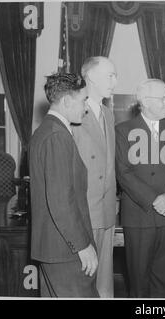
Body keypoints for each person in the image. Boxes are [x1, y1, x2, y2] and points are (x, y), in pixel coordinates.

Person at [115, 79, 165, 297]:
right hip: (141, 216)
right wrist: (155, 200)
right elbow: (124, 173)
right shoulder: (123, 130)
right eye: (164, 99)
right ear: (146, 102)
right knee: (139, 282)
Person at [29, 73, 98, 297]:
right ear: (67, 101)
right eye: (84, 100)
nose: (86, 107)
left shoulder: (46, 131)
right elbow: (61, 201)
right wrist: (82, 245)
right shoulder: (57, 136)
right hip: (66, 252)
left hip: (54, 250)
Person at [71, 56, 117, 298]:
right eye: (110, 75)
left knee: (104, 286)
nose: (115, 81)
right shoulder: (74, 112)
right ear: (90, 78)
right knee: (83, 284)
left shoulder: (108, 114)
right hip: (85, 213)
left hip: (107, 213)